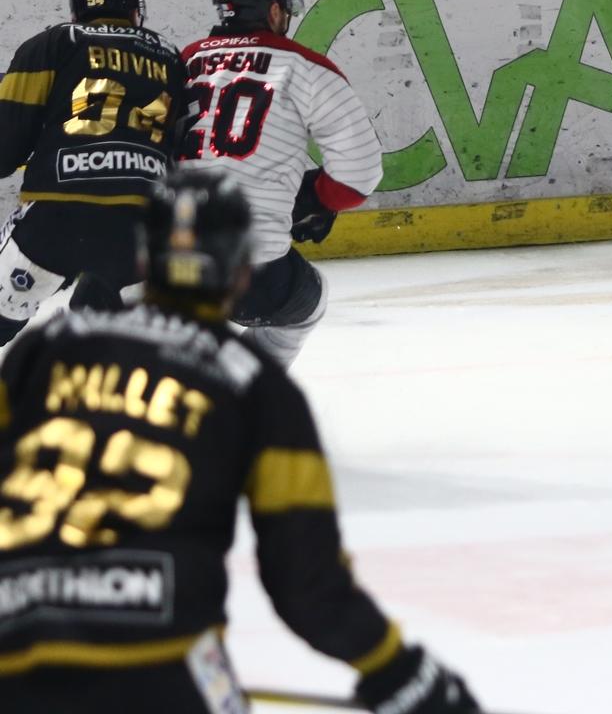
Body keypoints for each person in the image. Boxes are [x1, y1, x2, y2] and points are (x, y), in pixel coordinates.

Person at [0, 168, 479, 713]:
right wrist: (399, 670)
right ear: (239, 268)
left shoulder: (46, 350)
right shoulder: (257, 387)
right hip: (162, 664)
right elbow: (308, 584)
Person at [177, 0, 382, 367]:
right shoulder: (305, 67)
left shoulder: (183, 62)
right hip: (252, 273)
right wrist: (315, 199)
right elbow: (358, 175)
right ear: (272, 9)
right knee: (309, 301)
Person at [0, 0, 183, 348]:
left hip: (55, 218)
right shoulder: (170, 58)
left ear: (76, 5)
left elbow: (3, 147)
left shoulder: (51, 44)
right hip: (140, 230)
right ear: (134, 5)